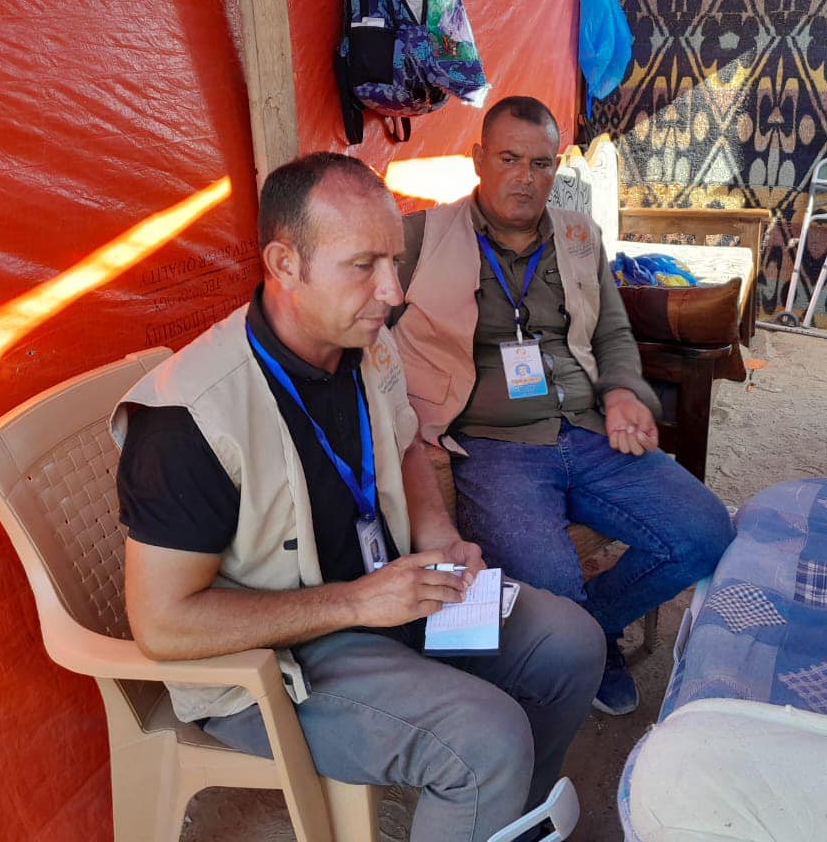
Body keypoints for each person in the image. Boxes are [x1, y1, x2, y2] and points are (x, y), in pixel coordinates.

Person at [113, 153, 605, 842]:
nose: (392, 291)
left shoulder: (364, 340)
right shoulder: (188, 419)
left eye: (394, 262)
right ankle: (487, 795)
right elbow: (163, 625)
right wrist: (355, 603)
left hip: (386, 595)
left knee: (571, 644)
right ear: (284, 264)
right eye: (363, 265)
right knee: (483, 740)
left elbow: (402, 443)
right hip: (273, 660)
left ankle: (503, 821)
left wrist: (437, 537)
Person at [392, 95, 735, 715]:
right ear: (479, 159)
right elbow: (366, 335)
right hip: (493, 447)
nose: (526, 177)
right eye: (509, 159)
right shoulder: (420, 238)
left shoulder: (579, 236)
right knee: (549, 585)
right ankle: (581, 640)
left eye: (541, 163)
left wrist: (623, 392)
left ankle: (590, 631)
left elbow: (612, 332)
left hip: (588, 431)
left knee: (706, 533)